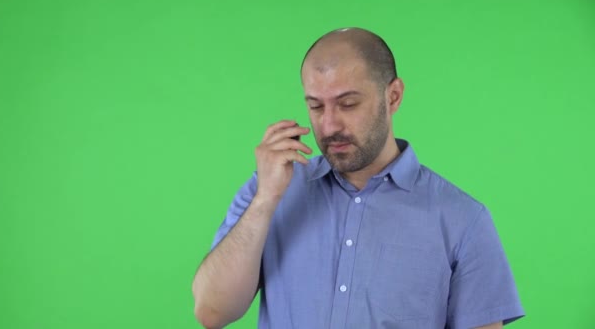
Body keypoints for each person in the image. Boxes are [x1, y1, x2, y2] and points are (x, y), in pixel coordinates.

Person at [192, 27, 525, 329]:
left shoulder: (463, 220)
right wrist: (265, 200)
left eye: (348, 104)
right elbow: (212, 312)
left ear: (392, 96)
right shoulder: (269, 190)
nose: (329, 125)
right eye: (316, 107)